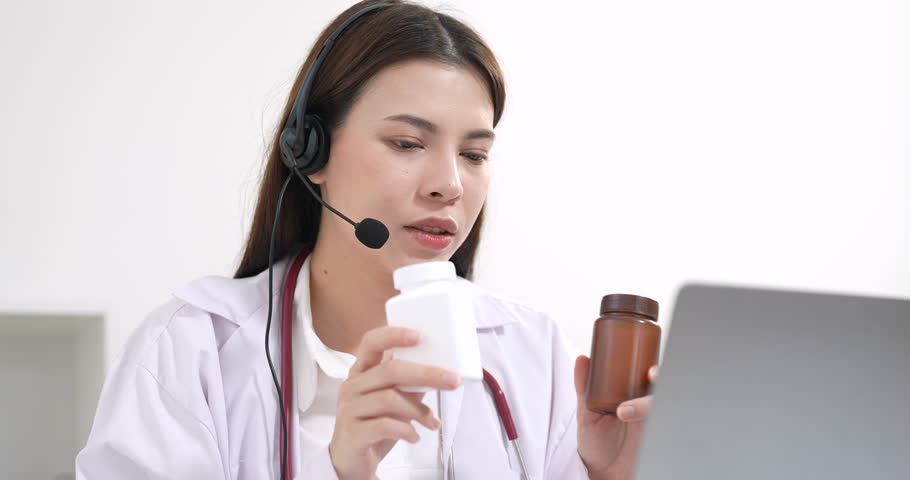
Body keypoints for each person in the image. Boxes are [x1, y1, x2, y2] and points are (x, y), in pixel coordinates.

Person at [75, 1, 657, 479]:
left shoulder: (530, 351)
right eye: (407, 143)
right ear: (313, 154)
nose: (450, 186)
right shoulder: (190, 352)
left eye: (474, 155)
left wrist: (609, 477)